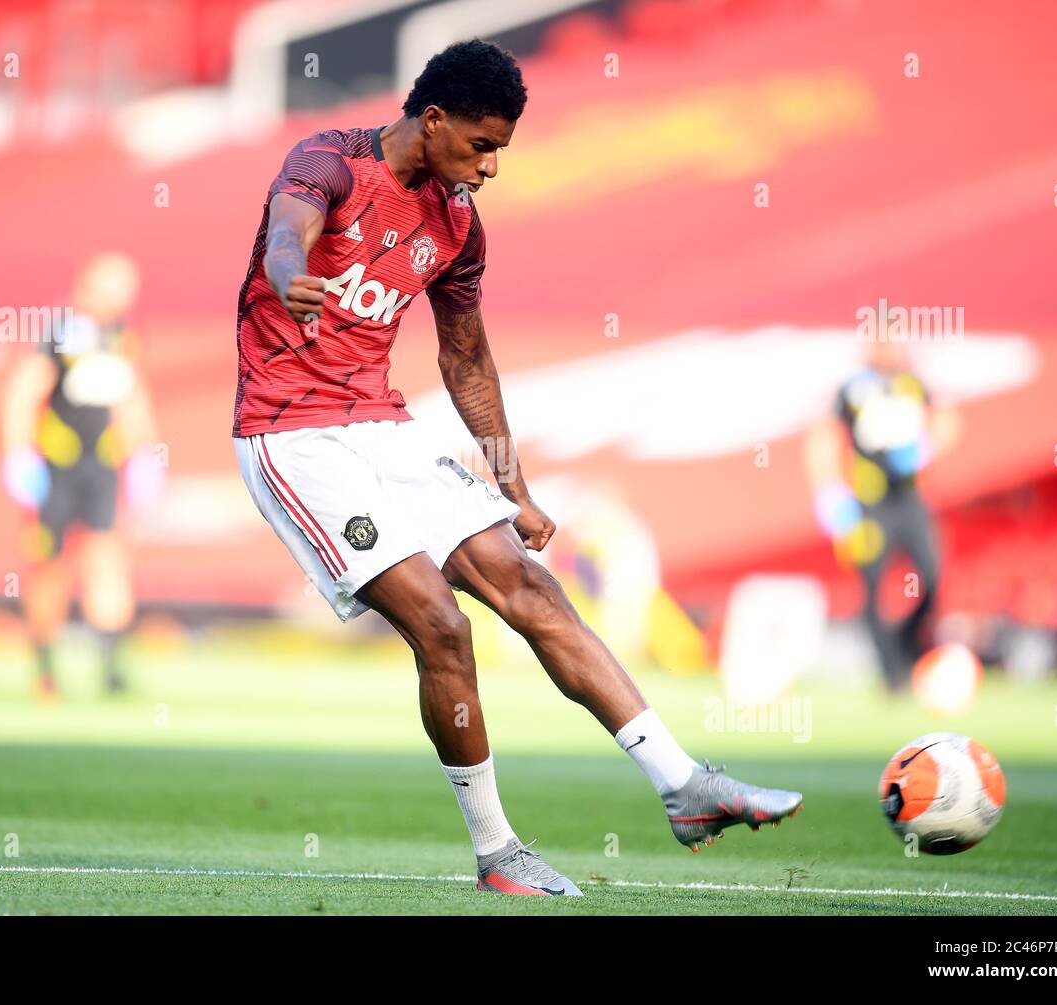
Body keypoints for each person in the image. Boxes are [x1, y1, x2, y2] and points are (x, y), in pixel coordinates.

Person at [231, 39, 801, 897]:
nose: (492, 166)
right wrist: (287, 276)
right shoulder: (331, 163)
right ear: (433, 120)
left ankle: (684, 784)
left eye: (501, 148)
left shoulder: (456, 223)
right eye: (482, 144)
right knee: (441, 623)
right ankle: (500, 852)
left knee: (530, 585)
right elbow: (287, 232)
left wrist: (515, 487)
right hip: (293, 432)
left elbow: (466, 361)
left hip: (382, 422)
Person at [0, 252, 163, 699]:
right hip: (56, 466)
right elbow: (22, 392)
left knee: (107, 560)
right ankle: (45, 665)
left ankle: (111, 668)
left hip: (103, 467)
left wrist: (146, 454)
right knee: (49, 570)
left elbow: (131, 398)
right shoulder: (58, 332)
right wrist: (17, 455)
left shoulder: (123, 335)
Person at [806, 337, 959, 691]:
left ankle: (906, 642)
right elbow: (824, 438)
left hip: (910, 499)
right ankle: (893, 676)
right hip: (869, 504)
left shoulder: (911, 383)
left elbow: (949, 421)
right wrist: (828, 493)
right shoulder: (853, 389)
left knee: (931, 576)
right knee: (873, 588)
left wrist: (926, 448)